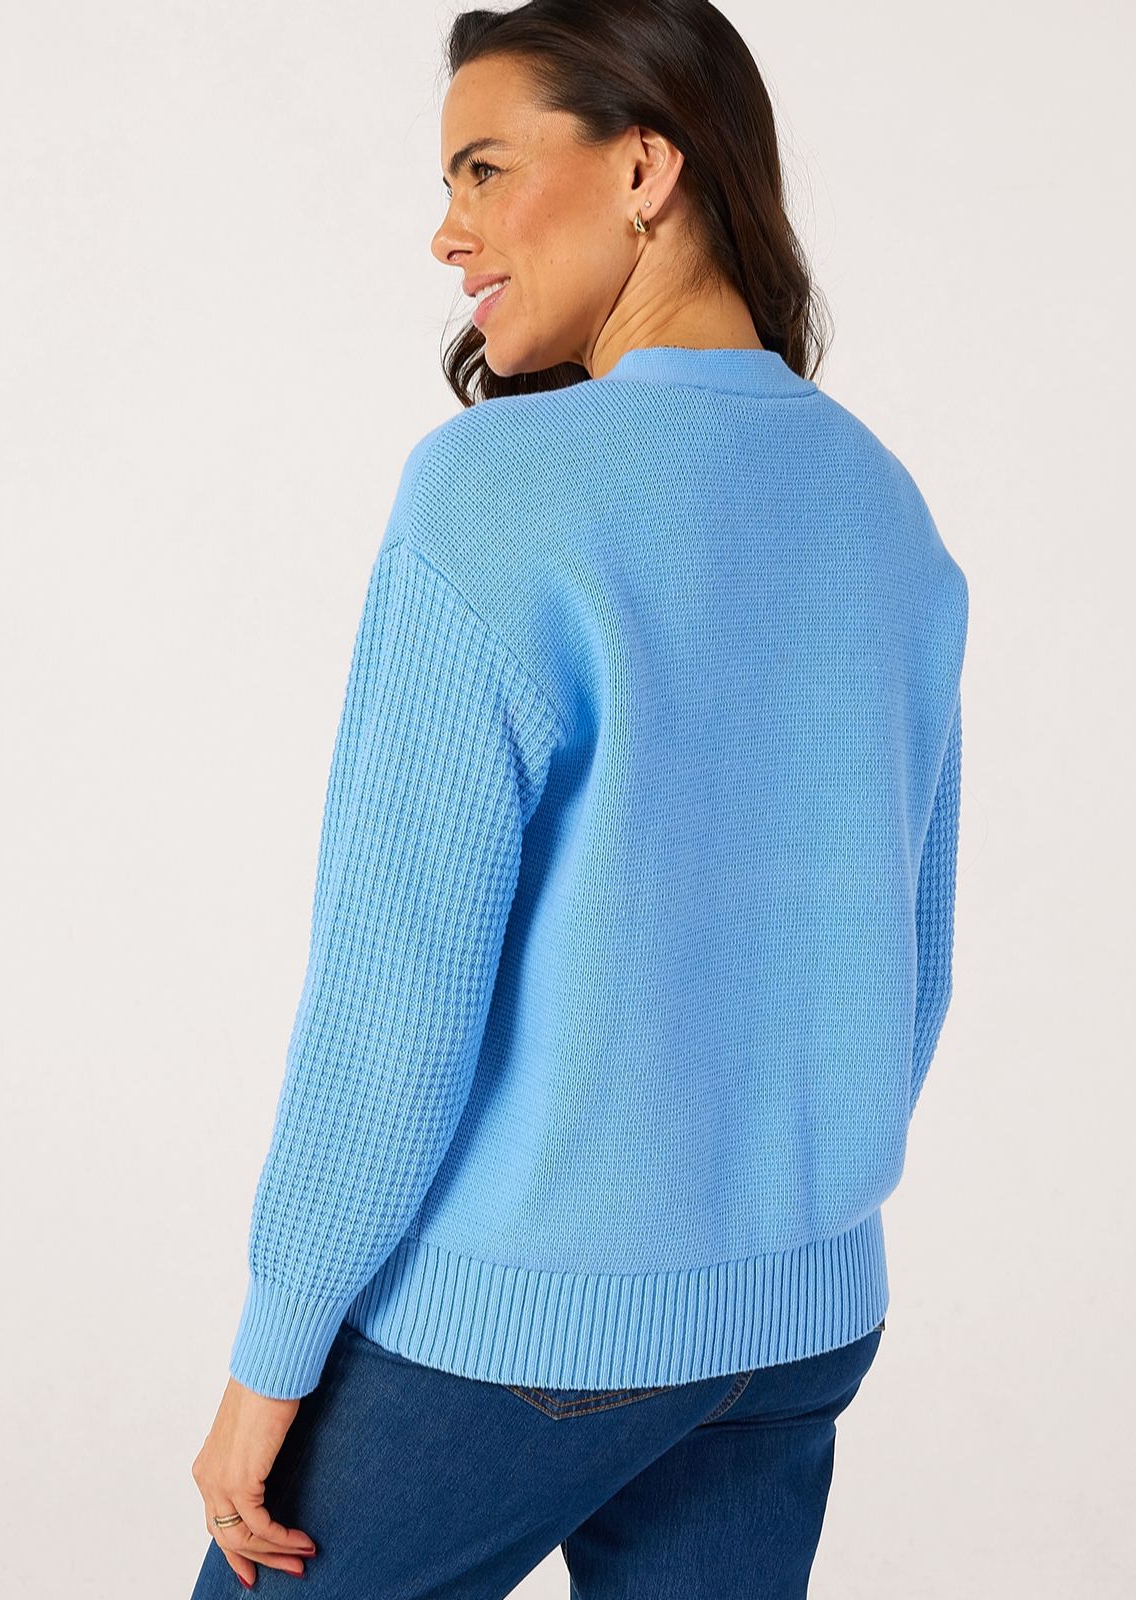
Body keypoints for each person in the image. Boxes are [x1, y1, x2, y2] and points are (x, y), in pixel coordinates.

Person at [189, 1, 968, 1594]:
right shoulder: (882, 503)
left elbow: (394, 990)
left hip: (539, 1327)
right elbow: (912, 950)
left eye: (485, 168)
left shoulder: (496, 491)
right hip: (803, 1319)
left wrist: (274, 1355)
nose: (447, 230)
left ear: (643, 168)